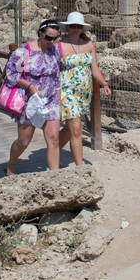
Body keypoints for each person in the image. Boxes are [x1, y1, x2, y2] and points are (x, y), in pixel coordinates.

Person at [2, 19, 63, 175]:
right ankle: (11, 164)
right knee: (23, 141)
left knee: (54, 139)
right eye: (48, 37)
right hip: (30, 102)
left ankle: (54, 177)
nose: (52, 41)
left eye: (55, 38)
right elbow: (10, 74)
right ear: (40, 34)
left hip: (50, 100)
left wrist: (59, 99)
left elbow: (56, 77)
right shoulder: (23, 51)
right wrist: (28, 85)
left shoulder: (55, 51)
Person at [56, 12, 110, 165]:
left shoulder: (88, 45)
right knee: (77, 129)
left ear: (82, 29)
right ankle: (81, 167)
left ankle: (54, 152)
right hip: (66, 92)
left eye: (78, 26)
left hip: (83, 93)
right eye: (72, 26)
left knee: (70, 128)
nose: (74, 29)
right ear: (67, 27)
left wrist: (104, 84)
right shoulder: (59, 46)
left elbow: (95, 69)